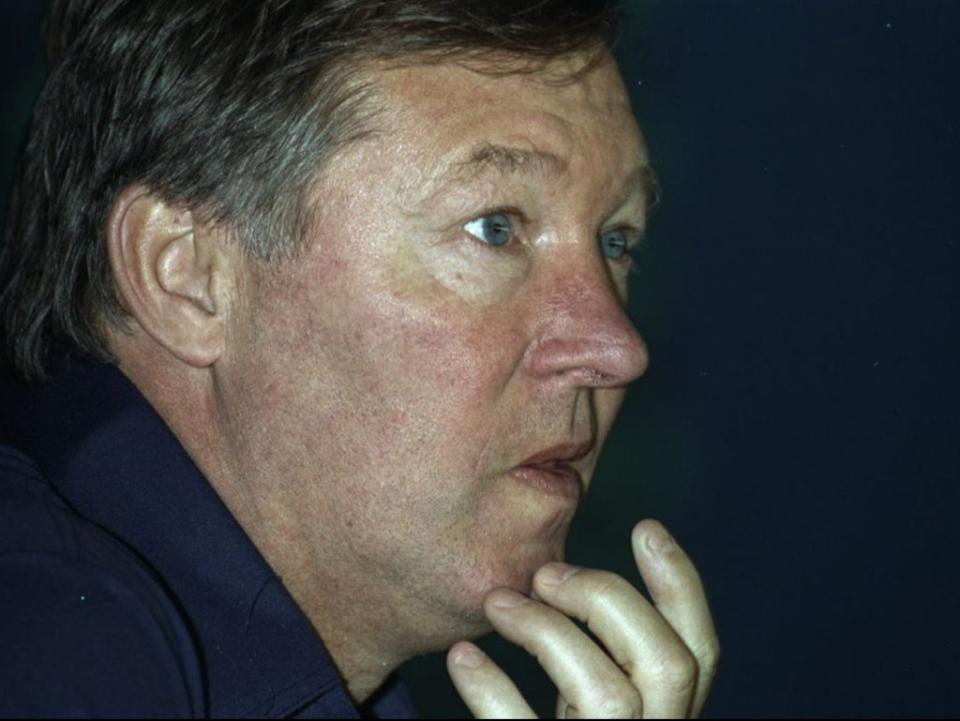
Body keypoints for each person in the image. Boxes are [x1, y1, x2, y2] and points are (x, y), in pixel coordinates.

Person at [0, 0, 719, 717]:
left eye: (618, 241)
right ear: (188, 276)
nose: (616, 348)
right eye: (493, 226)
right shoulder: (45, 632)